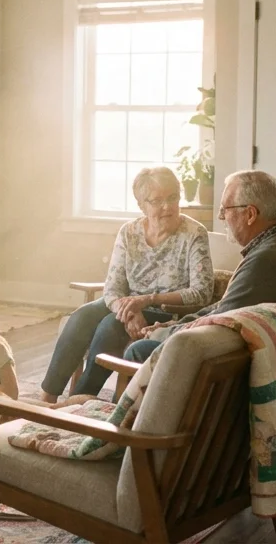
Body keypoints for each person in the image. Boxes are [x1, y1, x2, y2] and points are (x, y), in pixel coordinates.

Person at [40, 167, 214, 400]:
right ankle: (47, 398)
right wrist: (131, 312)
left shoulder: (194, 233)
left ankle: (78, 400)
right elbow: (112, 289)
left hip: (167, 310)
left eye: (172, 197)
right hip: (128, 303)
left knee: (111, 325)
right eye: (157, 201)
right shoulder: (129, 233)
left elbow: (202, 293)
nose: (167, 207)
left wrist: (147, 301)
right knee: (82, 316)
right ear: (142, 205)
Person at [122, 170, 276, 364]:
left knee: (138, 350)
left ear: (250, 214)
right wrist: (173, 325)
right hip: (255, 350)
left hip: (236, 363)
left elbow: (219, 317)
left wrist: (162, 333)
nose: (220, 217)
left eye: (225, 209)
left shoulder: (266, 260)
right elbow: (222, 307)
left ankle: (119, 400)